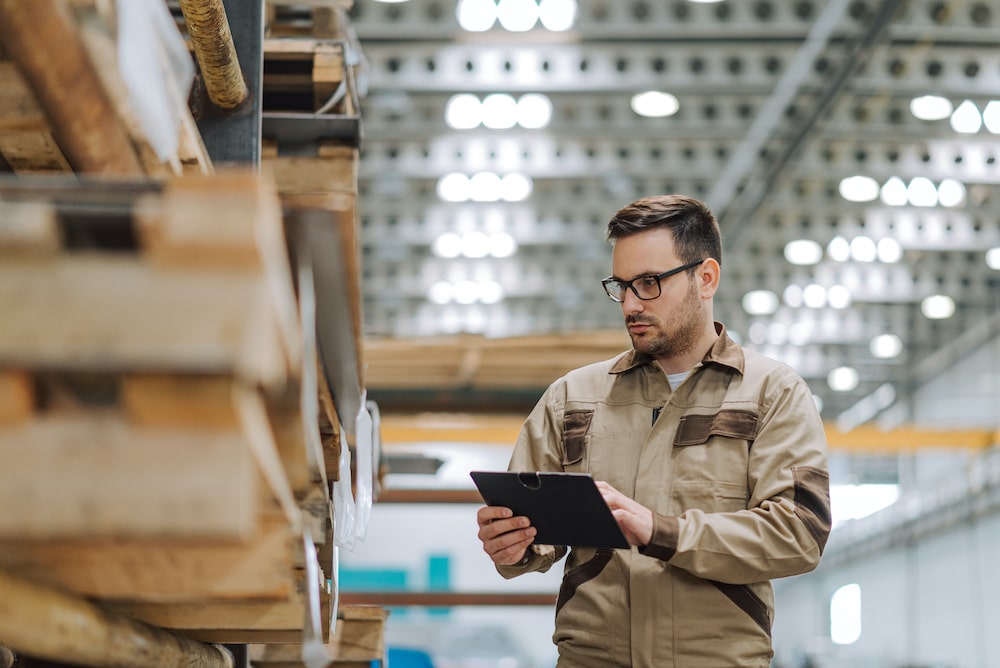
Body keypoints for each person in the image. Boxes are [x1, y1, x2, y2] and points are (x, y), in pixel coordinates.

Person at [476, 195, 831, 667]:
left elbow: (799, 534)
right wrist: (513, 544)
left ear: (705, 278)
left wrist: (661, 532)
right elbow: (535, 534)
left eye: (648, 284)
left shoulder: (771, 394)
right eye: (620, 286)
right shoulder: (572, 399)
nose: (629, 304)